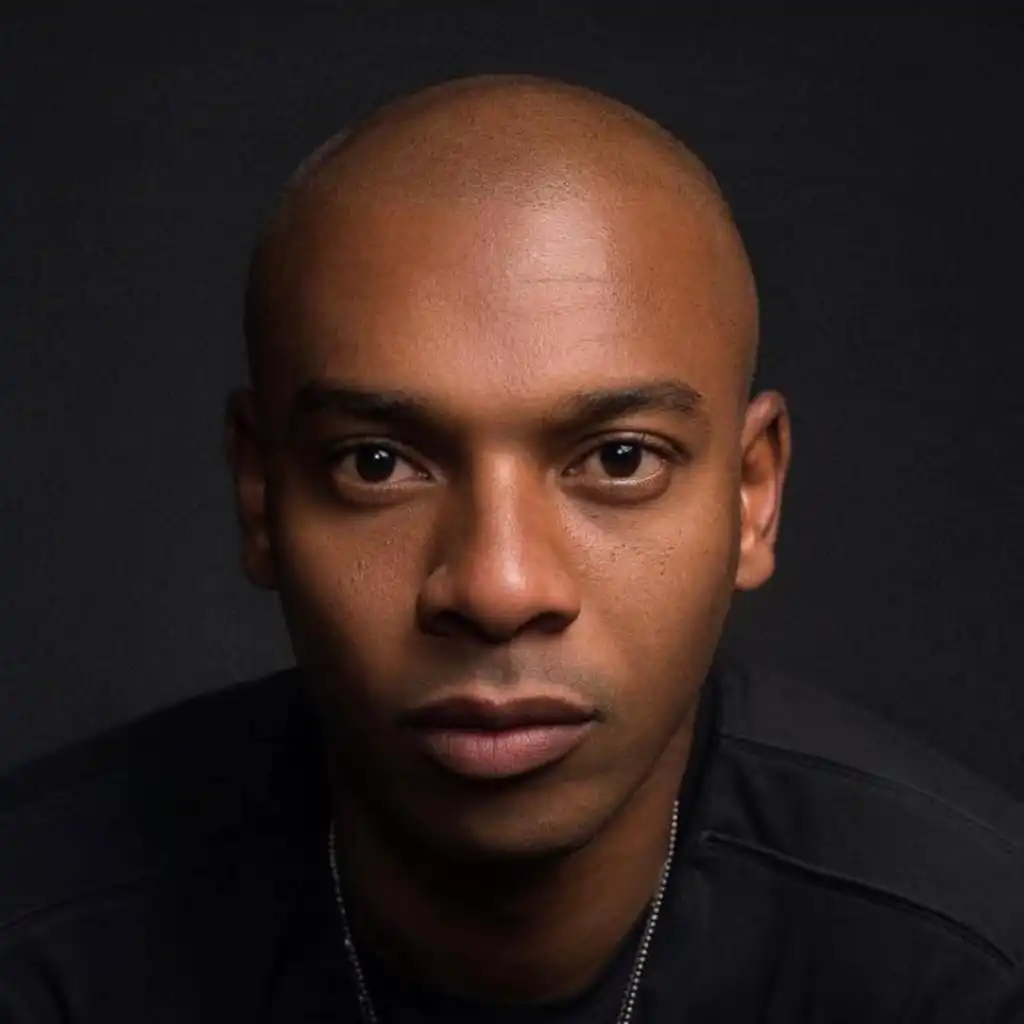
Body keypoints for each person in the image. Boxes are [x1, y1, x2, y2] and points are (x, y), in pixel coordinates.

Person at [1, 74, 1022, 1024]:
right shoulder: (41, 941)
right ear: (261, 495)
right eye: (376, 464)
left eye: (619, 458)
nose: (498, 587)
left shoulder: (966, 968)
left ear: (752, 496)